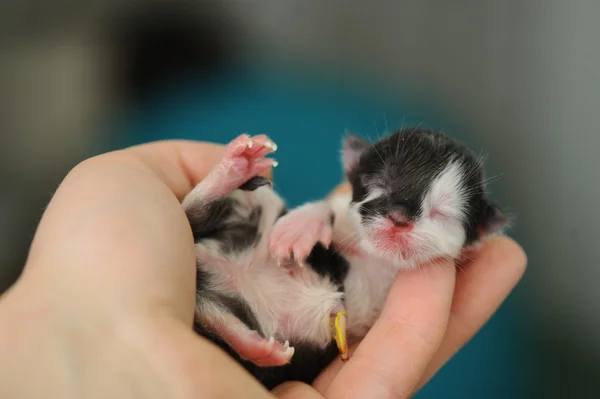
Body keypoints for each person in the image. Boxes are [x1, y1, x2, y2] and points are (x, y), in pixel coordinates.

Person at [0, 140, 527, 399]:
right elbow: (320, 220)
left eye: (438, 215)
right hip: (236, 260)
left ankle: (227, 323)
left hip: (270, 320)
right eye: (385, 195)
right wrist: (315, 214)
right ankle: (219, 183)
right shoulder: (338, 219)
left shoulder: (424, 280)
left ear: (479, 233)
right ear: (354, 171)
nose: (398, 218)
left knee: (271, 305)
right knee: (254, 206)